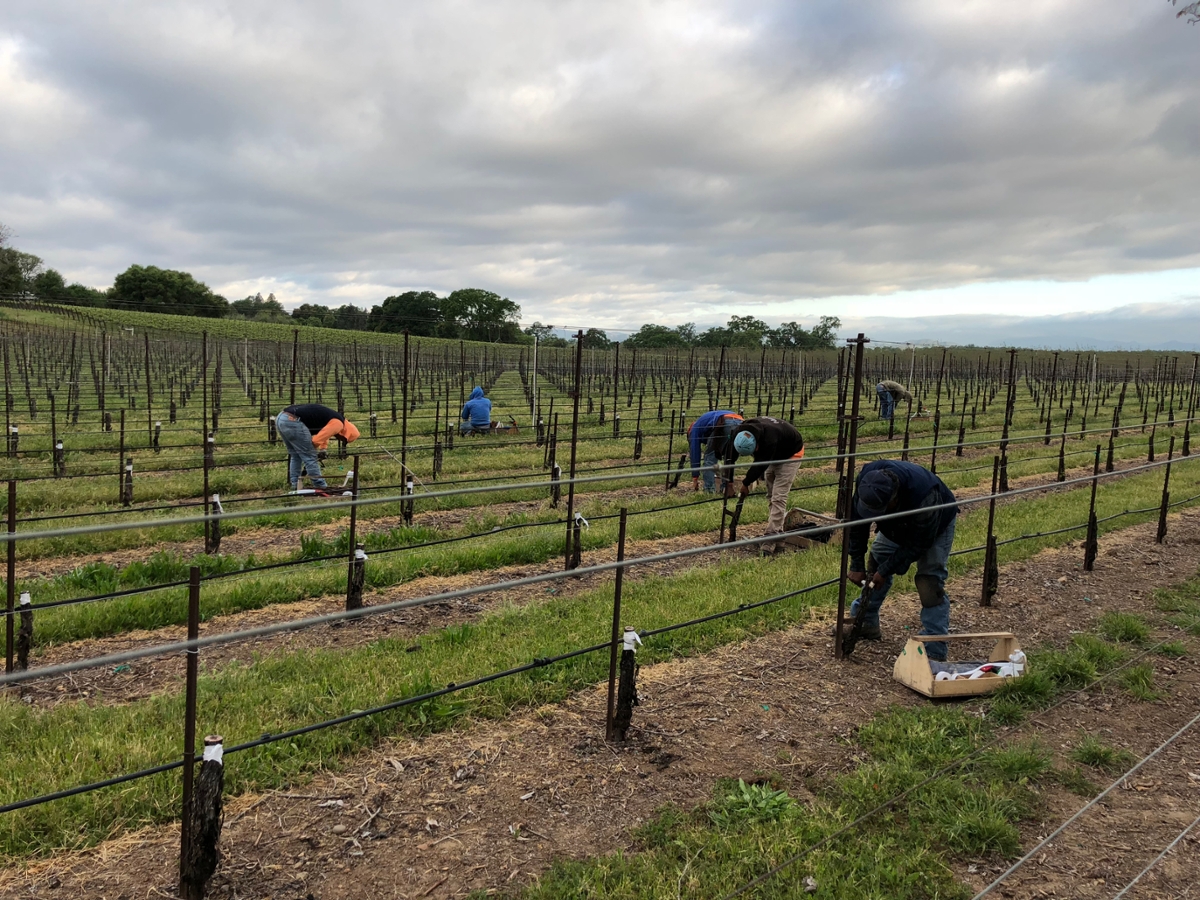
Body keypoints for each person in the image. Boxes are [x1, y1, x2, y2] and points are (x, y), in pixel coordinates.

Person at [844, 460, 957, 661]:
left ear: (894, 499)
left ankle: (935, 645)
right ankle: (866, 622)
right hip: (896, 523)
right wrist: (856, 563)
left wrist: (886, 570)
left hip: (935, 525)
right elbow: (857, 524)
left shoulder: (925, 498)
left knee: (929, 581)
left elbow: (918, 544)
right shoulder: (866, 481)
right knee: (875, 564)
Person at [722, 416, 805, 555]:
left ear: (757, 445)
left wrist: (746, 483)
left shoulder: (769, 440)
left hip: (792, 453)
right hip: (775, 451)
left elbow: (759, 465)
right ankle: (778, 536)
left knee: (778, 497)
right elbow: (729, 458)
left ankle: (770, 538)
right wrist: (729, 482)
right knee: (771, 495)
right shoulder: (738, 433)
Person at [276, 403, 361, 494]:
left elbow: (325, 433)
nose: (339, 439)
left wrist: (323, 449)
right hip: (293, 421)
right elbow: (316, 440)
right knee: (310, 457)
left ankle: (295, 485)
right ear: (346, 434)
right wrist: (311, 452)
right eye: (343, 439)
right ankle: (320, 486)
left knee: (296, 455)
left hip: (282, 418)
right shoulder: (338, 424)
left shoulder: (336, 419)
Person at [687, 409, 743, 493]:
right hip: (740, 422)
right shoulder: (704, 423)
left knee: (709, 459)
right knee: (729, 457)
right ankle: (726, 488)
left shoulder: (695, 429)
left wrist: (695, 477)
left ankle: (709, 490)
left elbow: (695, 453)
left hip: (725, 422)